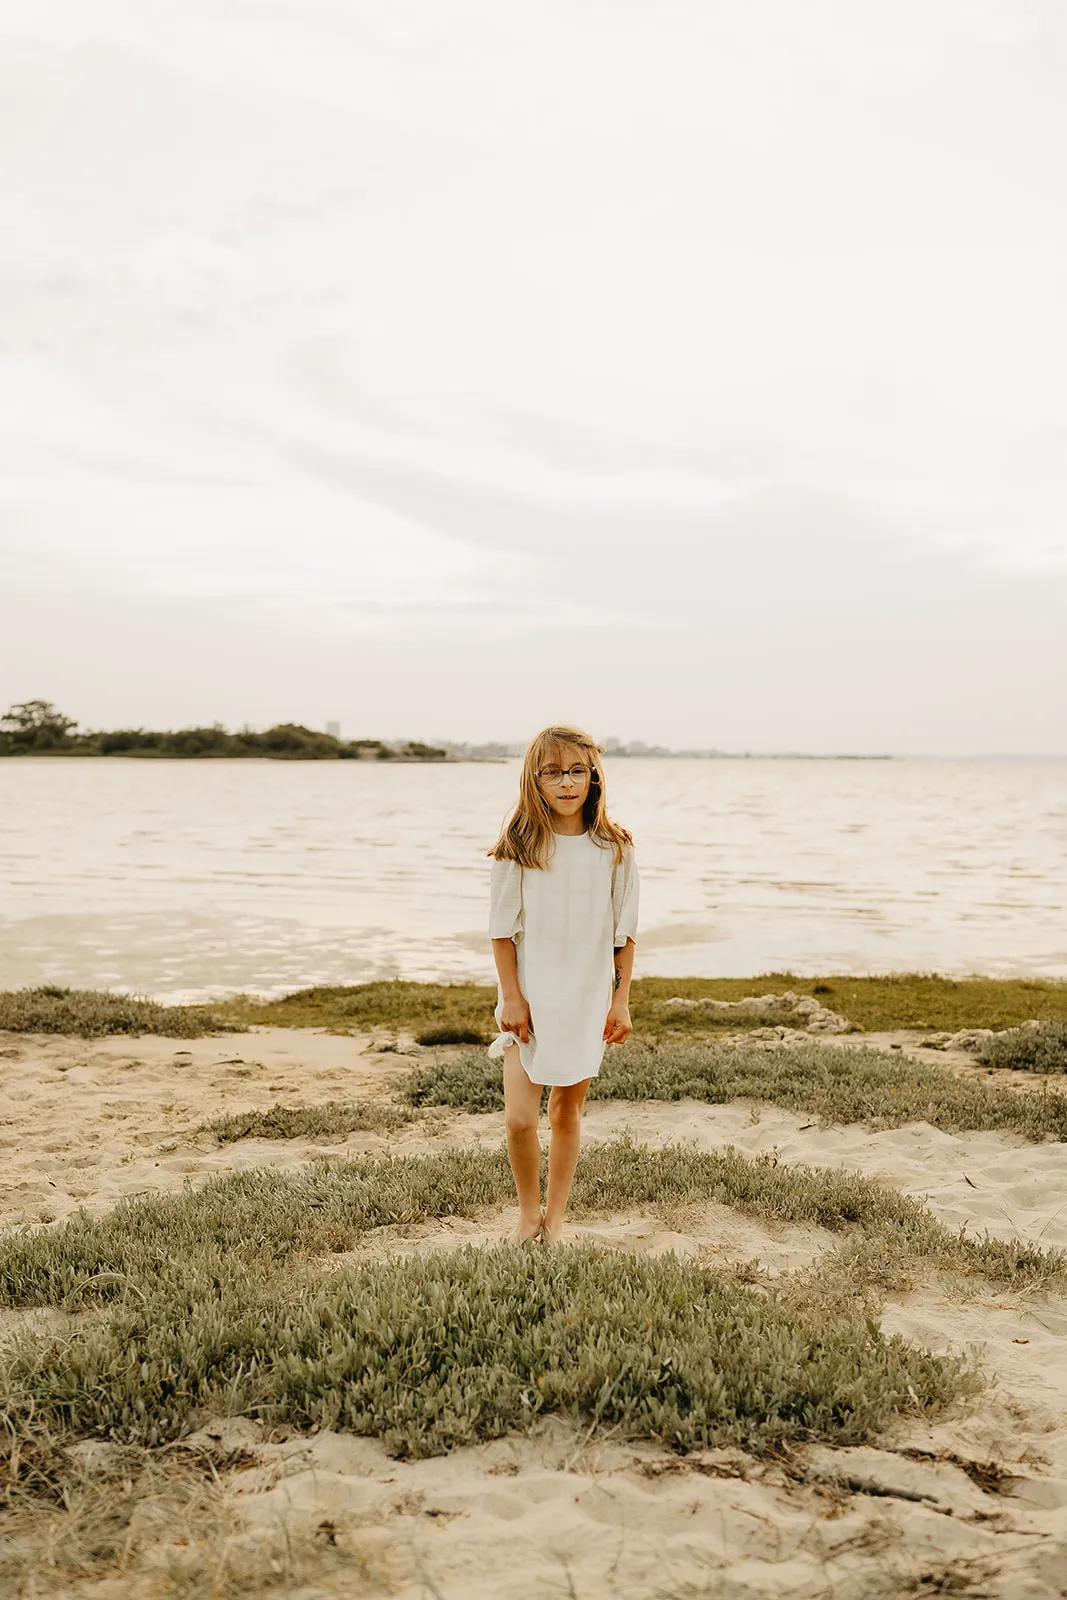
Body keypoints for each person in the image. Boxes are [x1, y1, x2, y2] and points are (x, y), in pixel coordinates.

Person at [487, 724, 639, 1244]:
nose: (566, 782)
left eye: (577, 770)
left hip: (586, 997)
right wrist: (511, 996)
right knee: (520, 1120)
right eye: (552, 772)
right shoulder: (520, 845)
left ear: (592, 775)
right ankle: (527, 1212)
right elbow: (502, 931)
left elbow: (625, 934)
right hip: (531, 998)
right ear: (536, 779)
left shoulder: (615, 847)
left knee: (566, 1112)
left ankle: (555, 1221)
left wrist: (620, 1001)